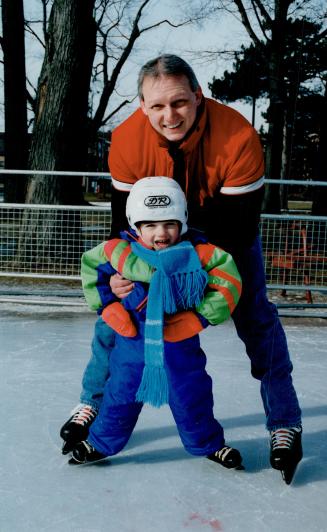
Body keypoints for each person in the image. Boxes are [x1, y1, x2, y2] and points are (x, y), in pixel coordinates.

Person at [60, 54, 302, 483]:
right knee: (113, 320)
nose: (169, 115)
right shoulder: (127, 140)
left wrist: (193, 300)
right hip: (155, 230)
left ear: (198, 96)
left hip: (222, 230)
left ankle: (284, 422)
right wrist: (122, 276)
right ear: (141, 106)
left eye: (179, 103)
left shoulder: (238, 137)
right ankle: (92, 401)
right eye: (156, 106)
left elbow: (237, 234)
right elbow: (124, 227)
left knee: (257, 319)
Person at [68, 176, 243, 468]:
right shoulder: (119, 252)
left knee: (192, 398)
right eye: (149, 225)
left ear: (183, 223)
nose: (160, 234)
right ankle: (100, 443)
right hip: (132, 346)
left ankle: (209, 444)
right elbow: (91, 271)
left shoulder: (199, 254)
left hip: (179, 349)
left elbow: (228, 282)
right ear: (136, 226)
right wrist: (112, 304)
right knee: (119, 396)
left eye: (169, 224)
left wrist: (198, 317)